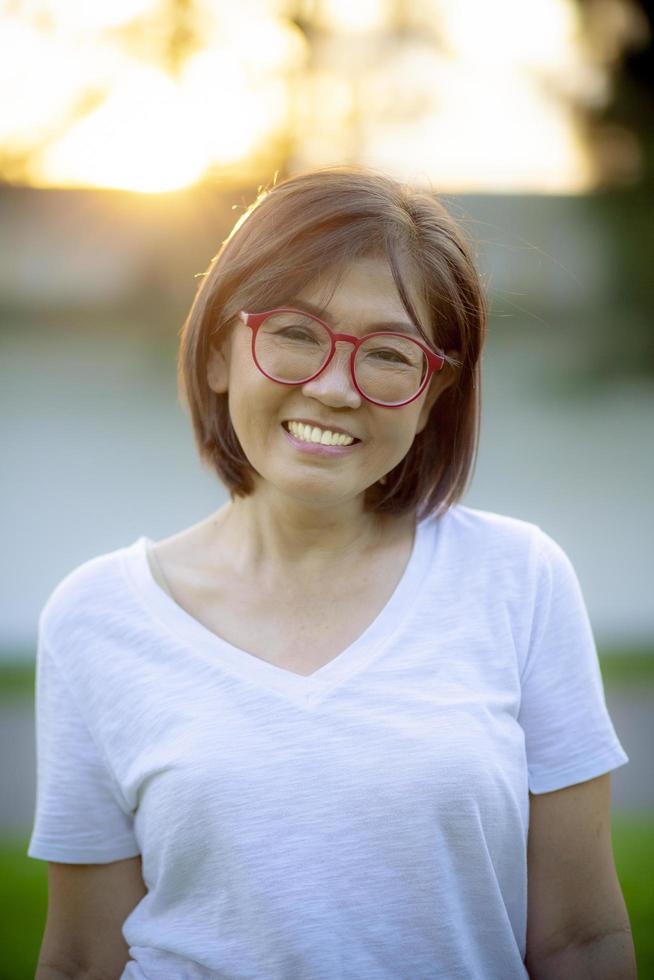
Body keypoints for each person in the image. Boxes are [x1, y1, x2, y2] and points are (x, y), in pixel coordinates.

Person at [29, 166, 636, 980]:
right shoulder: (96, 616)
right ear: (220, 354)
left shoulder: (519, 580)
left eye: (388, 353)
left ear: (433, 395)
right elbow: (79, 959)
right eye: (294, 333)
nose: (334, 385)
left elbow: (580, 938)